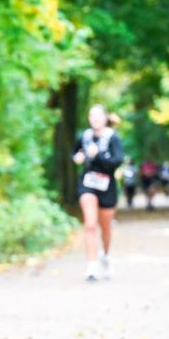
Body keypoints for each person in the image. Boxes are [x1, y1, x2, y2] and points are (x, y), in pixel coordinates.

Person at [73, 105, 124, 281]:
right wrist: (77, 158)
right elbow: (76, 153)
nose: (94, 119)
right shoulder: (85, 136)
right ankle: (91, 265)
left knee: (105, 227)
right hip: (88, 183)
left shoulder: (113, 138)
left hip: (107, 185)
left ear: (105, 118)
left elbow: (117, 161)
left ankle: (106, 255)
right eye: (91, 115)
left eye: (98, 115)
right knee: (90, 224)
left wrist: (99, 155)